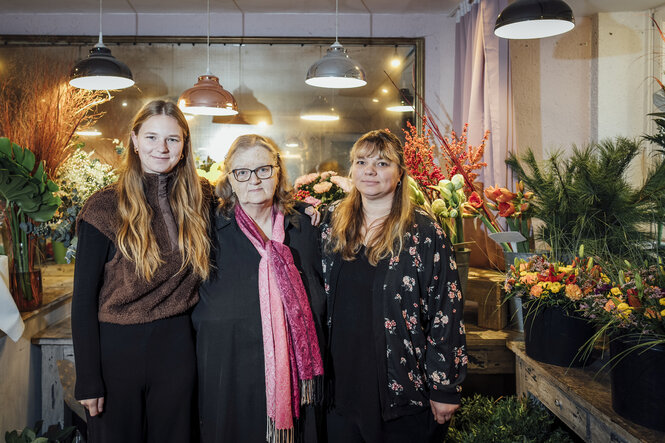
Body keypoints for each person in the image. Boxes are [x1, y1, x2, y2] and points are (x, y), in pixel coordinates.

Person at [71, 100, 212, 443]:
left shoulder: (202, 198)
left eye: (172, 140)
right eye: (151, 137)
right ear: (134, 140)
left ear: (184, 145)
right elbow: (83, 300)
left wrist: (300, 215)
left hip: (177, 347)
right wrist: (88, 379)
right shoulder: (104, 207)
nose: (161, 148)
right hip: (117, 351)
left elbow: (255, 205)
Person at [320, 129, 467, 443]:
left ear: (400, 173)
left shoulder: (425, 230)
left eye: (382, 163)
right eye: (361, 162)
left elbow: (447, 309)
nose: (370, 171)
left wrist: (445, 385)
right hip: (340, 388)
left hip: (402, 390)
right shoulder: (331, 223)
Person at [192, 134, 325, 443]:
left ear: (277, 172)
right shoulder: (209, 232)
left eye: (263, 169)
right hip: (231, 380)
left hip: (297, 386)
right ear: (230, 179)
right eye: (242, 172)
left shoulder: (304, 228)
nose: (253, 180)